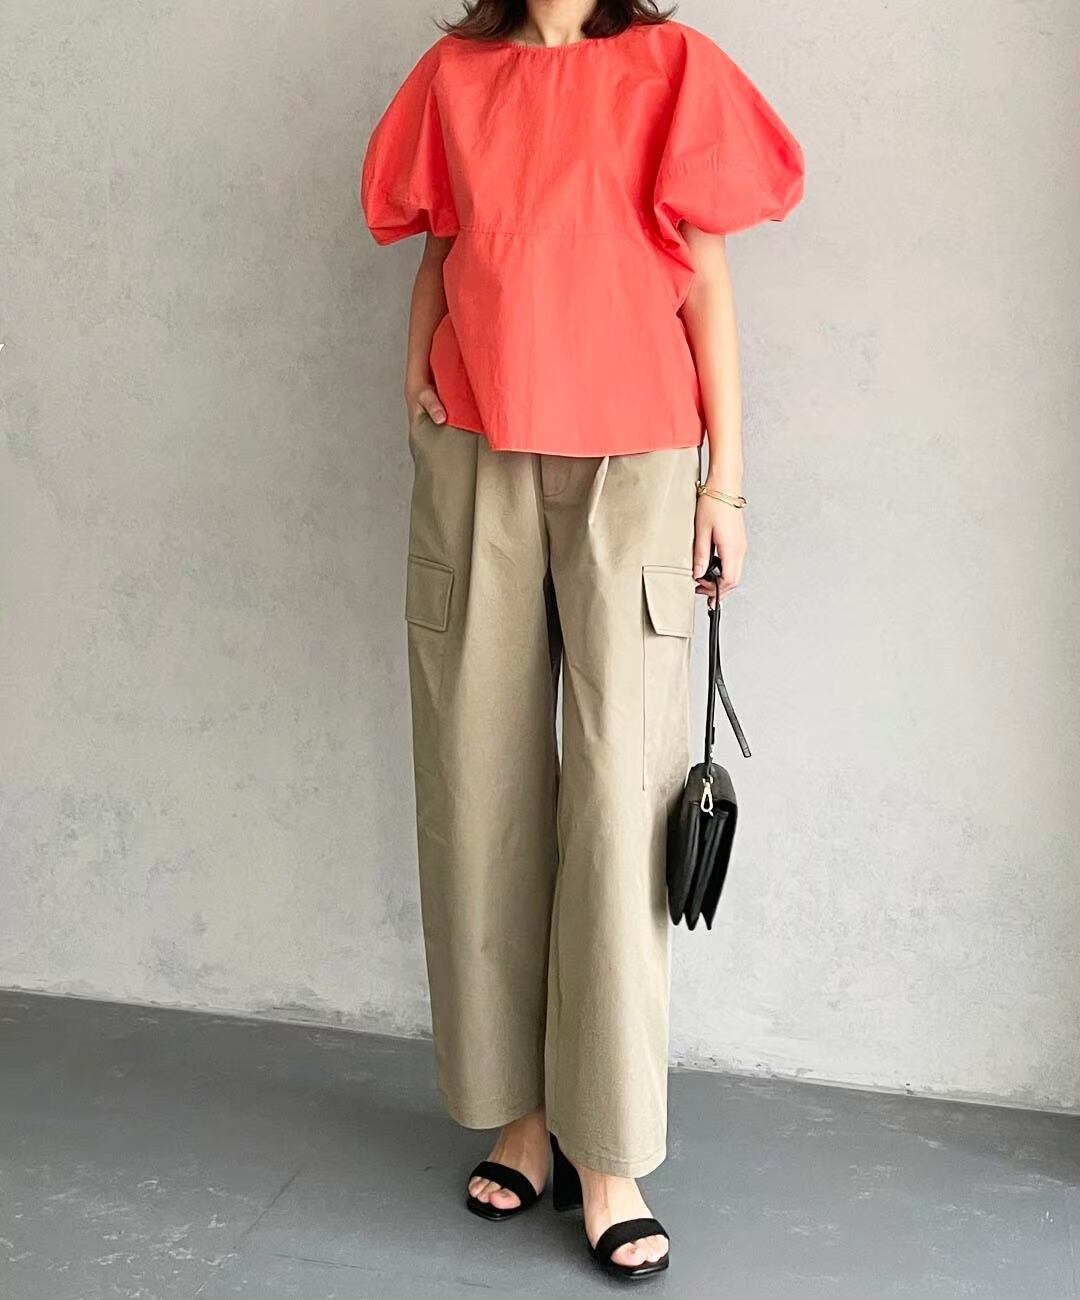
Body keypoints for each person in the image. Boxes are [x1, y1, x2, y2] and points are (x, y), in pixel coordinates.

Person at [359, 0, 803, 1281]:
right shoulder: (454, 76)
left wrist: (726, 485)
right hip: (477, 449)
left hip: (637, 458)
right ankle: (522, 1115)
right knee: (479, 785)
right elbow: (440, 246)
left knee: (620, 800)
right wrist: (413, 374)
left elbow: (706, 278)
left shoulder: (673, 68)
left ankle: (607, 1148)